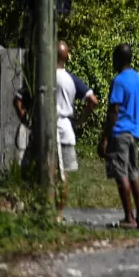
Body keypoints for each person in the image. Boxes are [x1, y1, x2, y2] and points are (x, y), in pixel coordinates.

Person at [100, 44, 139, 229]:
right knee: (134, 173)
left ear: (119, 59)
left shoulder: (119, 81)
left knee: (122, 175)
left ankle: (129, 218)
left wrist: (105, 137)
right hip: (136, 132)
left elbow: (114, 110)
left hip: (120, 132)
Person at [56, 41, 98, 178]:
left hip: (44, 130)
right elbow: (93, 101)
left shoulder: (40, 77)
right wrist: (80, 120)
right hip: (65, 130)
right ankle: (62, 198)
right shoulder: (71, 79)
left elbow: (18, 99)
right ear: (67, 57)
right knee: (66, 175)